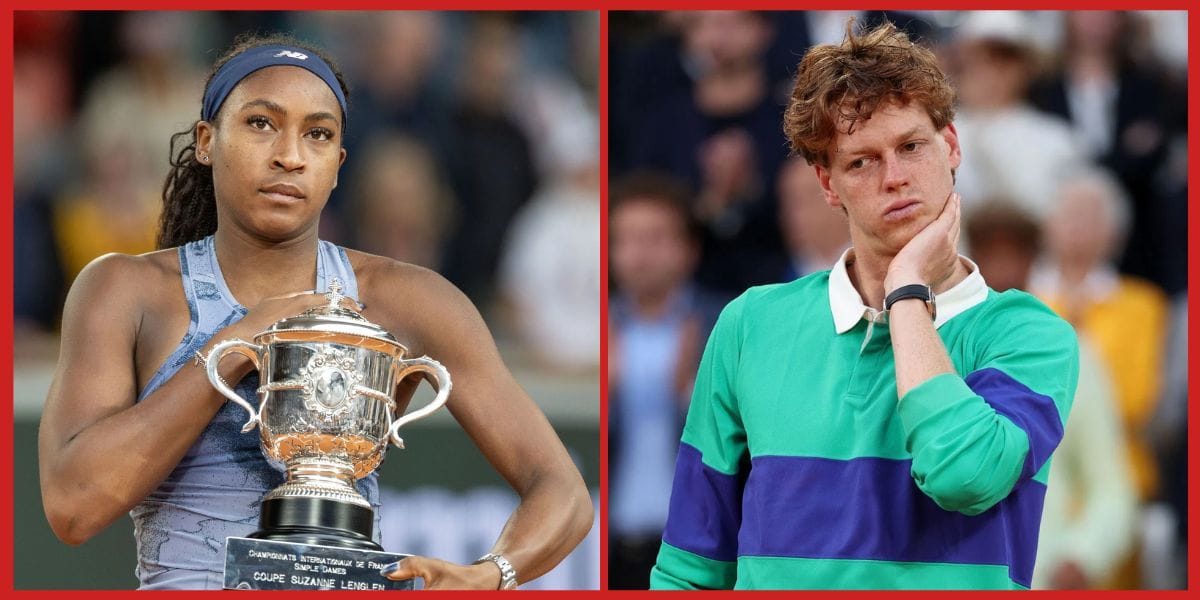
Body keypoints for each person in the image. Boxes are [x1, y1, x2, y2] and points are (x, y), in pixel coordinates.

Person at [37, 33, 592, 591]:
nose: (290, 155)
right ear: (206, 140)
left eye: (318, 134)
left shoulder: (411, 300)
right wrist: (237, 344)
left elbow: (563, 492)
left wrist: (491, 574)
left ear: (338, 163)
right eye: (260, 123)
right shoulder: (123, 290)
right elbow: (74, 507)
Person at [650, 21, 1078, 590]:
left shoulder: (1029, 333)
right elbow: (689, 565)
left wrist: (905, 293)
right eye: (862, 162)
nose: (895, 178)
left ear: (950, 146)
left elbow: (965, 475)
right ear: (828, 185)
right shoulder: (750, 324)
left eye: (910, 146)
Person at [607, 172, 726, 589]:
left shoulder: (723, 325)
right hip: (612, 544)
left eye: (655, 238)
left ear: (688, 249)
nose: (640, 254)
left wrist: (688, 393)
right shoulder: (598, 329)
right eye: (627, 238)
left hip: (694, 547)